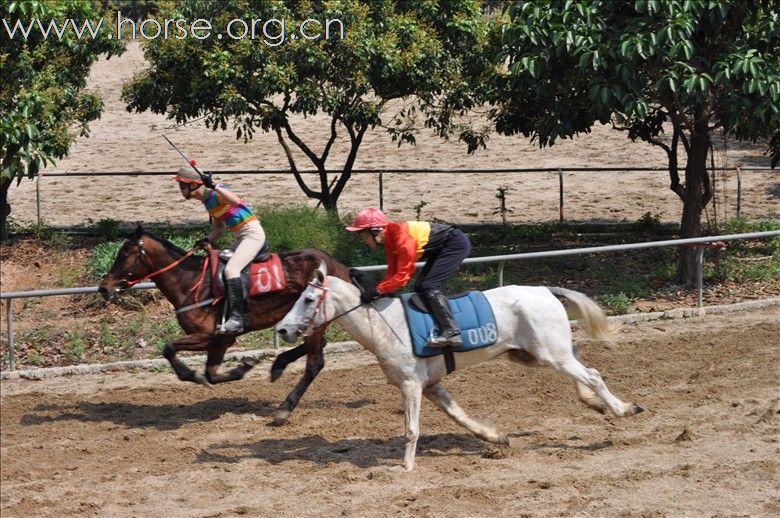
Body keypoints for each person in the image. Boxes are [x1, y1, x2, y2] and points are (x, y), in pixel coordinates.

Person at [346, 207, 471, 348]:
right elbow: (392, 273)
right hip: (443, 246)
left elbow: (402, 278)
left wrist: (378, 291)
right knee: (420, 287)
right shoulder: (390, 240)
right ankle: (435, 326)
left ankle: (453, 333)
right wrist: (379, 290)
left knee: (428, 286)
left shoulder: (402, 237)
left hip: (455, 244)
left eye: (364, 236)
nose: (364, 240)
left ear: (375, 230)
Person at [172, 164, 266, 333]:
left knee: (231, 269)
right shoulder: (208, 202)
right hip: (239, 238)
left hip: (252, 234)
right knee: (218, 265)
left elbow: (236, 201)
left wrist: (214, 185)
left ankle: (237, 318)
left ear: (193, 184)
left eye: (182, 186)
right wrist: (206, 239)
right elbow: (219, 228)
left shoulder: (217, 191)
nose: (180, 190)